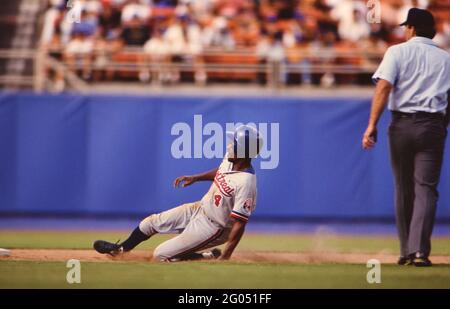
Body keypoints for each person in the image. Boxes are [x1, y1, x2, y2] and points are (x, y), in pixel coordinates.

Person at [94, 125, 263, 262]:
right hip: (200, 208)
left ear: (242, 151)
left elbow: (240, 223)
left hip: (214, 227)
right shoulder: (230, 158)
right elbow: (220, 172)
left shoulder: (246, 183)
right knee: (150, 223)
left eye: (233, 143)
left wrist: (226, 256)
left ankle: (207, 256)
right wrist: (196, 177)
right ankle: (121, 250)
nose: (229, 145)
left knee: (161, 255)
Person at [362, 8, 450, 267]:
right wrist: (442, 125)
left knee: (403, 188)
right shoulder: (446, 59)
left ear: (411, 28)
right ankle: (420, 251)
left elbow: (384, 86)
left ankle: (405, 251)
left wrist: (371, 125)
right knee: (426, 189)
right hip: (432, 124)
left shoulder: (396, 52)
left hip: (401, 123)